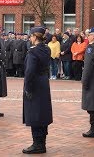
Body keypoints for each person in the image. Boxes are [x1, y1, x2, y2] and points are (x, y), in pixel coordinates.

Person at [22, 26, 53, 154]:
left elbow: (29, 72)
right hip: (44, 82)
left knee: (34, 113)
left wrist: (28, 88)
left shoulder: (33, 52)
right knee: (42, 113)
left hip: (34, 84)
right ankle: (42, 143)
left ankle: (37, 144)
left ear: (34, 37)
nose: (30, 38)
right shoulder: (47, 49)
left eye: (31, 36)